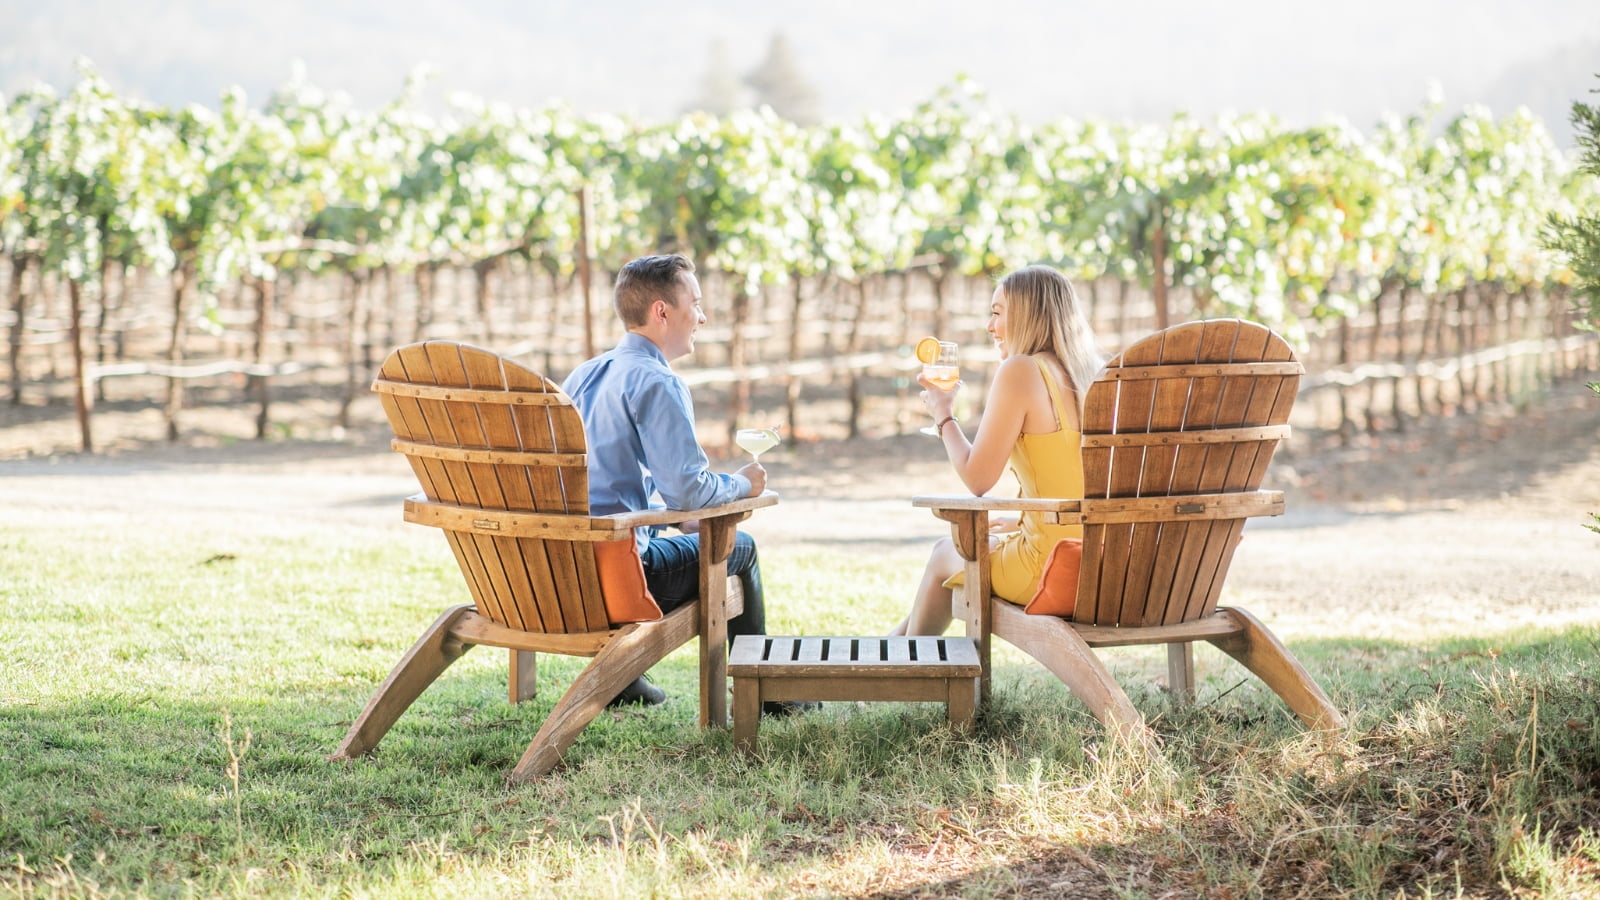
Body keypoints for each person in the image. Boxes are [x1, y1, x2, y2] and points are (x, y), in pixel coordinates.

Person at [561, 253, 814, 715]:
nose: (702, 316)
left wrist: (678, 522)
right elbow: (688, 491)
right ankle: (766, 695)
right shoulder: (657, 381)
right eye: (694, 303)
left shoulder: (583, 375)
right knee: (741, 548)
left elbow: (607, 486)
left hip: (564, 566)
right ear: (662, 312)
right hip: (619, 575)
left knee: (697, 532)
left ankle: (624, 678)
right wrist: (740, 485)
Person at [891, 265, 1105, 636]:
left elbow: (977, 479)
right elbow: (1068, 476)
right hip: (1103, 563)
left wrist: (943, 414)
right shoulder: (1088, 375)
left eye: (997, 312)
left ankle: (905, 667)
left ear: (1026, 313)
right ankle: (890, 654)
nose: (990, 327)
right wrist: (1021, 520)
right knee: (956, 560)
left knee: (945, 552)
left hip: (1053, 568)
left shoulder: (1020, 371)